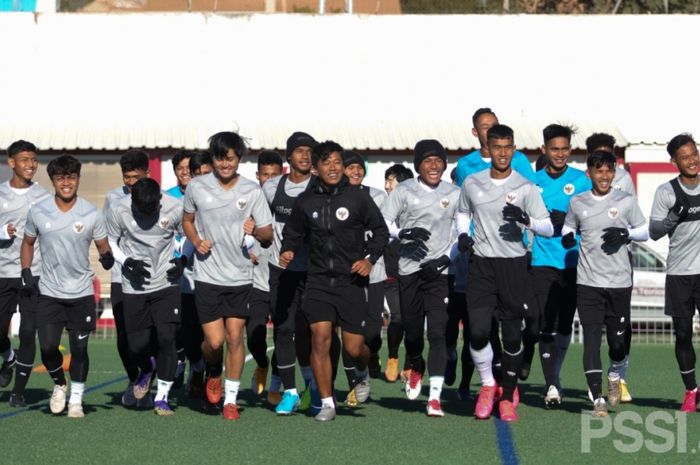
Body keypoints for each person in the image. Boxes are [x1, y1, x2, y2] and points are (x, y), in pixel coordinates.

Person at [279, 141, 389, 421]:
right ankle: (327, 402)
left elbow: (380, 232)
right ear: (315, 168)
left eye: (337, 162)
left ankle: (362, 370)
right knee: (320, 338)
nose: (333, 167)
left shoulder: (358, 198)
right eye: (326, 162)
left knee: (354, 349)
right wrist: (288, 249)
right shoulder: (306, 201)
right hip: (317, 283)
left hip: (350, 282)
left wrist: (369, 259)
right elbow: (292, 233)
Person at [457, 124, 553, 422]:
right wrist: (463, 235)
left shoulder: (525, 187)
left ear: (513, 149)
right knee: (478, 331)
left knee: (512, 336)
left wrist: (526, 220)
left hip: (514, 266)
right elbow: (463, 213)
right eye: (496, 146)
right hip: (482, 265)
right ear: (488, 148)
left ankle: (508, 395)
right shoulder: (472, 182)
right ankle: (488, 384)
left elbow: (548, 227)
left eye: (507, 147)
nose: (501, 152)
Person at [182, 132, 273, 420]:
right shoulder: (196, 187)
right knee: (215, 343)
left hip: (241, 277)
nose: (225, 164)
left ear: (239, 159)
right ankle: (209, 370)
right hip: (207, 276)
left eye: (230, 158)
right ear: (213, 158)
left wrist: (254, 230)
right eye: (220, 158)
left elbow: (268, 234)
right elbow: (187, 220)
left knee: (235, 338)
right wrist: (196, 241)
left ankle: (230, 401)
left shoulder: (252, 191)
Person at [20, 155, 114, 418]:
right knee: (48, 348)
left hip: (81, 293)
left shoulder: (91, 213)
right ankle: (60, 384)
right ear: (53, 181)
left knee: (80, 349)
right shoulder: (38, 211)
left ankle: (76, 400)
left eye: (71, 177)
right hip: (49, 292)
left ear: (78, 179)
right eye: (61, 178)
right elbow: (27, 243)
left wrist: (108, 258)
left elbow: (103, 247)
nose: (66, 183)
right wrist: (26, 271)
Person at [562, 151, 648, 417]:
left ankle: (615, 372)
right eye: (598, 171)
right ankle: (597, 398)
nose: (604, 176)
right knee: (590, 340)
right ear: (589, 173)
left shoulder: (625, 201)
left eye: (609, 170)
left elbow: (645, 230)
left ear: (614, 172)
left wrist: (626, 233)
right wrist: (567, 238)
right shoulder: (578, 202)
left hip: (620, 282)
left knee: (617, 344)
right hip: (588, 282)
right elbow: (568, 228)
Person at [381, 139, 460, 417]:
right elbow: (385, 222)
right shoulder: (403, 191)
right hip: (409, 270)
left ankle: (434, 398)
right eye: (428, 161)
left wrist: (445, 260)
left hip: (440, 273)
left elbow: (462, 233)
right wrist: (403, 234)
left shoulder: (455, 193)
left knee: (437, 332)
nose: (434, 165)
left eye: (438, 160)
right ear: (418, 166)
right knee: (413, 333)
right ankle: (415, 363)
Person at [106, 178, 186, 415]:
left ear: (160, 201)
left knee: (166, 337)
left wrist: (183, 260)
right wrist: (127, 262)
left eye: (151, 209)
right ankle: (147, 367)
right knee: (137, 345)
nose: (146, 214)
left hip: (166, 282)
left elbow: (190, 235)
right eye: (141, 209)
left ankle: (161, 398)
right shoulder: (119, 209)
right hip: (135, 285)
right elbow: (110, 241)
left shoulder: (174, 207)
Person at [531, 124, 591, 407]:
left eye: (564, 149)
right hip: (542, 260)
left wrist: (568, 224)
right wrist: (542, 224)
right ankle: (551, 384)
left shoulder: (582, 180)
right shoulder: (533, 181)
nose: (559, 154)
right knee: (546, 322)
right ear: (544, 150)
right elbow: (525, 218)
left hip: (574, 261)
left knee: (565, 323)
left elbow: (593, 217)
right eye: (554, 149)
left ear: (570, 150)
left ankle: (555, 374)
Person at [261, 132, 318, 415]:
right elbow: (259, 223)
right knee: (283, 329)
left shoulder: (322, 187)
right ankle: (290, 392)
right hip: (280, 269)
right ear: (289, 156)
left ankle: (315, 386)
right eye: (300, 151)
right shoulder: (272, 188)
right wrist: (253, 236)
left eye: (310, 151)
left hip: (315, 270)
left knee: (313, 331)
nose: (305, 155)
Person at [649, 133, 700, 413]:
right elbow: (654, 232)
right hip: (680, 274)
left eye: (694, 154)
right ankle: (691, 390)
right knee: (682, 334)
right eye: (685, 157)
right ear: (674, 161)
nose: (692, 160)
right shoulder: (666, 192)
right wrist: (673, 218)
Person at [585, 132, 636, 403]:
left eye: (610, 157)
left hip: (620, 264)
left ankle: (620, 376)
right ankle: (593, 384)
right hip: (589, 267)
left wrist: (625, 234)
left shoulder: (624, 179)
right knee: (590, 331)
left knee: (619, 332)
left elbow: (636, 222)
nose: (605, 170)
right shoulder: (580, 182)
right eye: (598, 159)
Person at [0, 140, 51, 407]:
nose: (30, 165)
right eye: (24, 160)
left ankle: (18, 391)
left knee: (29, 332)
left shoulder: (44, 196)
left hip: (34, 273)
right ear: (11, 163)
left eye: (34, 159)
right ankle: (8, 357)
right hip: (3, 272)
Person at [103, 150, 151, 408]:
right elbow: (105, 235)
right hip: (120, 276)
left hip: (150, 278)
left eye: (136, 176)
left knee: (148, 334)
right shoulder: (112, 197)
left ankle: (151, 375)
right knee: (124, 334)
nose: (131, 182)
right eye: (126, 177)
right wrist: (107, 256)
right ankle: (136, 380)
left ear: (148, 173)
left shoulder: (157, 197)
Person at [341, 150, 386, 405]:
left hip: (375, 273)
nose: (356, 171)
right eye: (351, 167)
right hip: (347, 278)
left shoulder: (377, 196)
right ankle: (357, 380)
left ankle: (371, 356)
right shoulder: (334, 198)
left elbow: (386, 230)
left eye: (360, 167)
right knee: (350, 334)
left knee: (371, 333)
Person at [247, 150, 284, 397]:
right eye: (265, 175)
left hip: (282, 277)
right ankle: (261, 364)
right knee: (254, 335)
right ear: (257, 175)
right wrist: (243, 247)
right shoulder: (247, 199)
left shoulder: (288, 203)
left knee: (283, 334)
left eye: (275, 175)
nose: (269, 181)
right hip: (256, 279)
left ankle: (277, 384)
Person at [382, 164, 414, 383]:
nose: (386, 186)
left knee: (412, 319)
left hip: (414, 270)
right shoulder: (383, 207)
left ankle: (410, 364)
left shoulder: (415, 204)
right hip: (391, 271)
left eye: (390, 181)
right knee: (398, 316)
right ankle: (393, 355)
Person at [454, 107, 536, 188]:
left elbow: (533, 192)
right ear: (475, 132)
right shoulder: (464, 164)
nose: (491, 130)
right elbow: (460, 196)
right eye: (485, 127)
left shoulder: (518, 158)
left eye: (495, 125)